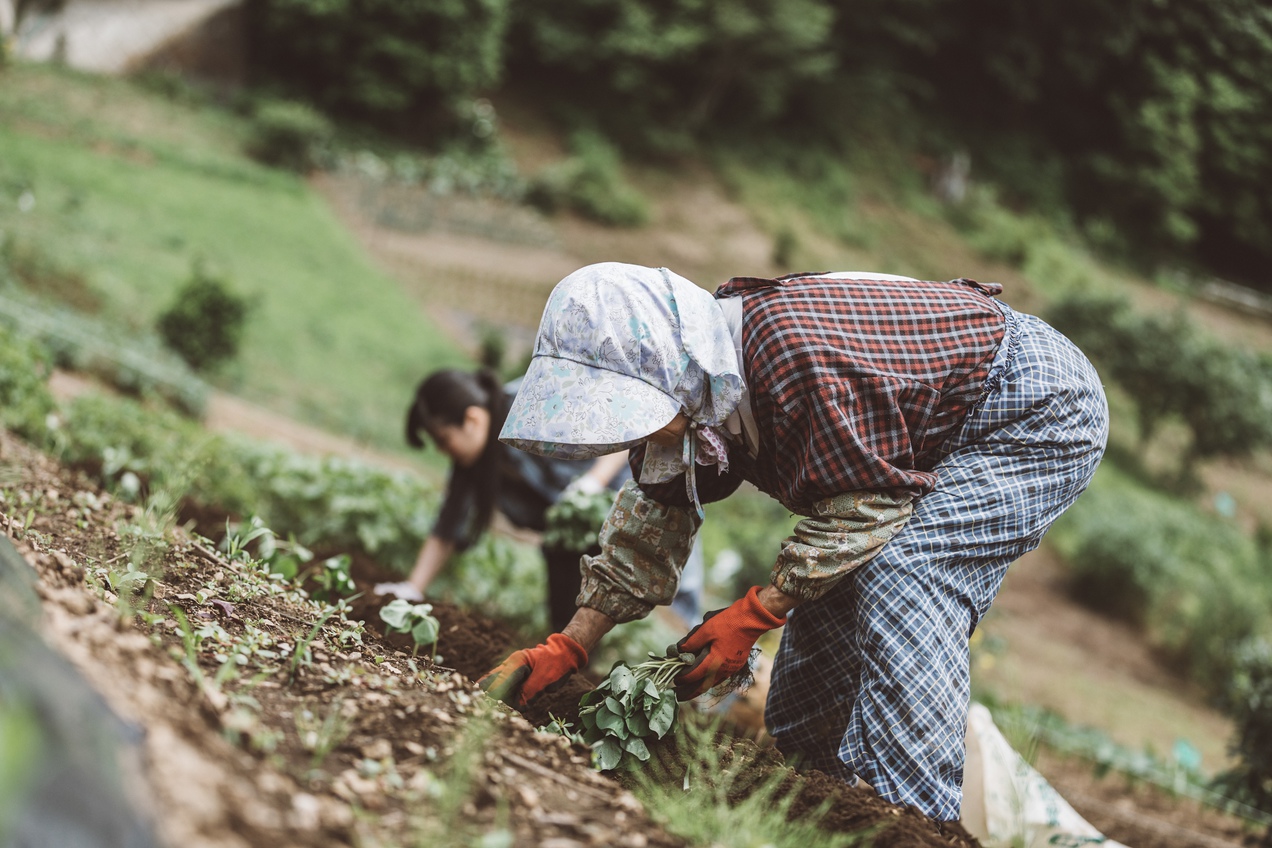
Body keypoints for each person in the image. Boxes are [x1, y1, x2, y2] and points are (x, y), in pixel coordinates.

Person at [478, 262, 1108, 822]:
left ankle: (915, 822)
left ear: (667, 367)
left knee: (905, 572)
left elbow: (864, 511)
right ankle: (823, 803)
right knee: (828, 612)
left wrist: (753, 615)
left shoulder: (789, 362)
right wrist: (570, 645)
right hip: (926, 434)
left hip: (1032, 404)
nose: (632, 431)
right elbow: (651, 526)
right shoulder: (699, 398)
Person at [373, 368, 702, 632]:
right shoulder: (474, 464)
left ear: (472, 419)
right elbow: (447, 526)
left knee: (676, 589)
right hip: (577, 534)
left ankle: (718, 693)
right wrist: (413, 589)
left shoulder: (533, 401)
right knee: (570, 613)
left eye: (444, 440)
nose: (445, 452)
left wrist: (593, 480)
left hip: (643, 491)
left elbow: (623, 425)